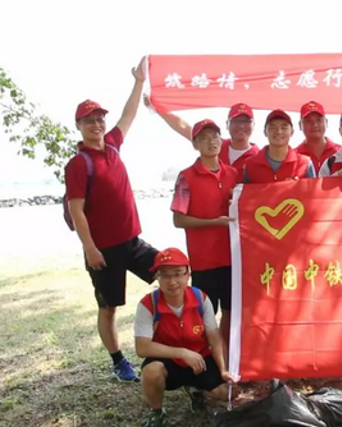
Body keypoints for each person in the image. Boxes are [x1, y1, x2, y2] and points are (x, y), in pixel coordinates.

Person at [64, 57, 158, 382]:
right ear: (79, 125)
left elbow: (128, 115)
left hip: (132, 241)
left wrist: (139, 82)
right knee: (109, 308)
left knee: (172, 275)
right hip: (103, 250)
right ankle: (119, 361)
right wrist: (90, 249)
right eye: (89, 120)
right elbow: (77, 209)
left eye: (99, 119)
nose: (97, 124)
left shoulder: (114, 145)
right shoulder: (78, 164)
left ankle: (168, 339)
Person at [134, 248, 236, 427]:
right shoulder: (148, 304)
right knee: (151, 372)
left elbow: (214, 337)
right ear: (157, 277)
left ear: (188, 274)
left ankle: (197, 392)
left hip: (199, 359)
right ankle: (157, 412)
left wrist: (223, 369)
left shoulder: (200, 298)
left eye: (177, 274)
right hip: (168, 360)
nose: (172, 281)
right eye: (164, 275)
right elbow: (142, 348)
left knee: (225, 393)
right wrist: (182, 353)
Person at [170, 119, 239, 349]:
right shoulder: (186, 177)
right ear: (195, 144)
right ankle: (205, 360)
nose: (212, 142)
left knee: (230, 311)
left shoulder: (233, 174)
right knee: (204, 316)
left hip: (232, 258)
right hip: (203, 261)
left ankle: (227, 359)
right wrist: (213, 223)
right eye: (205, 138)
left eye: (215, 136)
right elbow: (178, 219)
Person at [144, 96, 259, 177]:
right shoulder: (215, 145)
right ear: (227, 125)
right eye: (236, 121)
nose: (241, 126)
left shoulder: (259, 157)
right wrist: (157, 108)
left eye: (246, 121)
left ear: (253, 125)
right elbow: (182, 126)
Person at [242, 109, 317, 183]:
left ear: (292, 132)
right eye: (273, 127)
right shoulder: (251, 165)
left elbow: (313, 193)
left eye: (284, 128)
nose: (278, 131)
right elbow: (245, 193)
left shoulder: (305, 164)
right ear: (265, 132)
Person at [295, 101, 341, 172]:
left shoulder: (340, 152)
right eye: (308, 121)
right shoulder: (294, 156)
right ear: (300, 125)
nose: (315, 125)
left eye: (319, 120)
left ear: (326, 122)